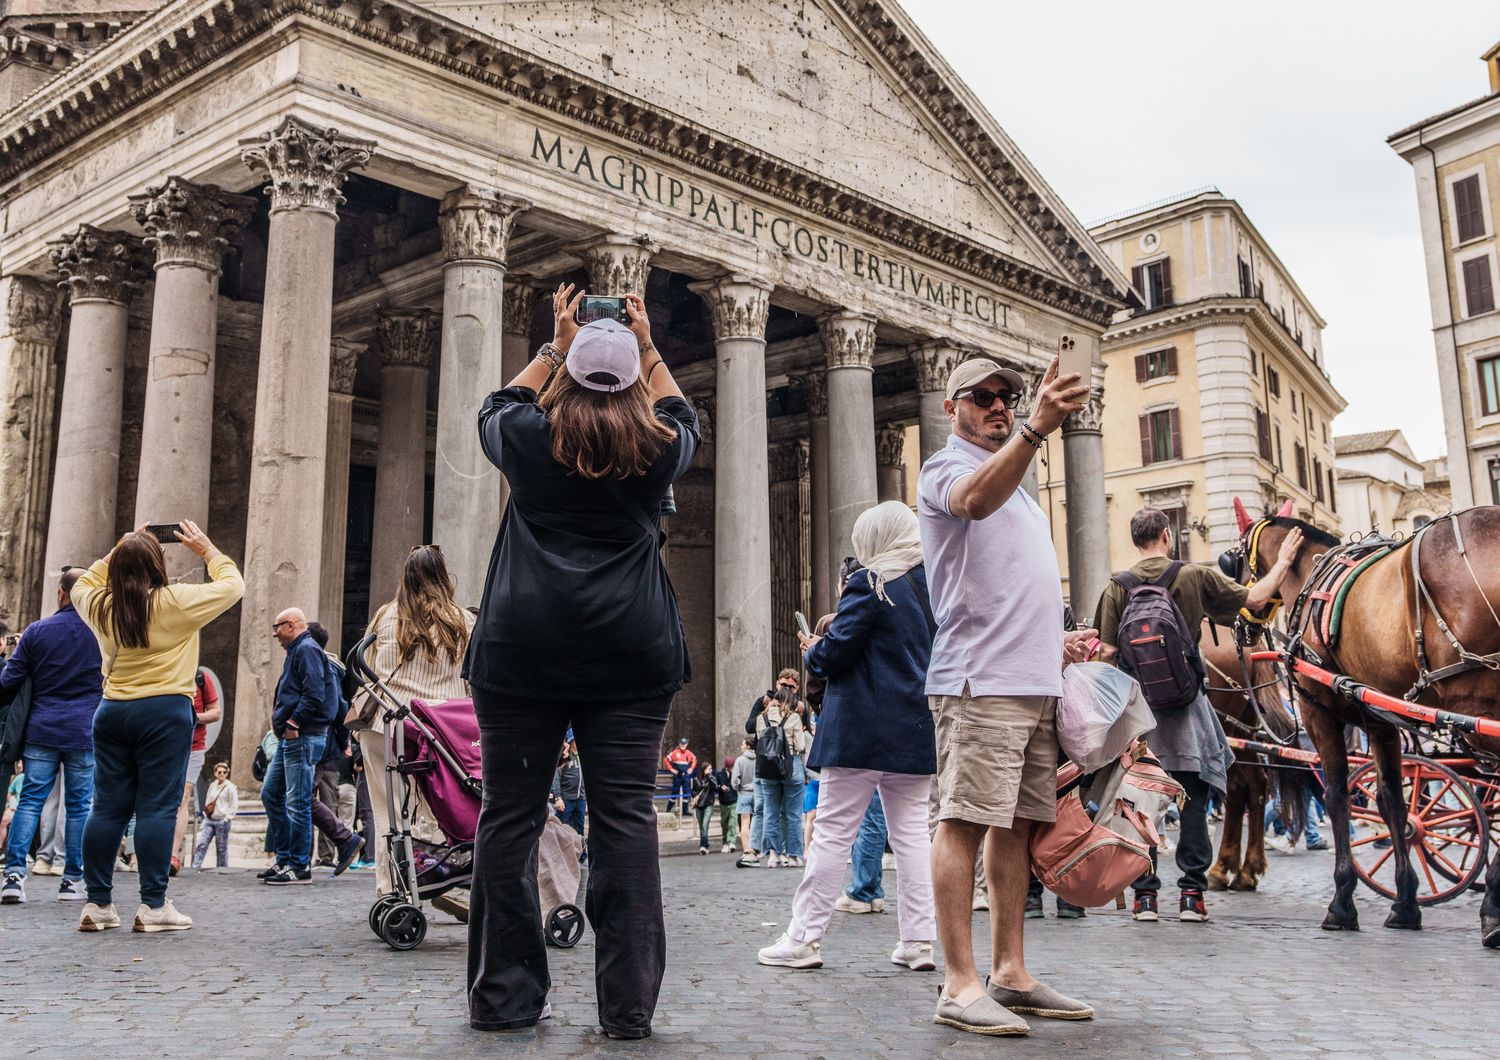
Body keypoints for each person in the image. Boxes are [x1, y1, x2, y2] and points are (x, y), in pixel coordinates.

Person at [465, 284, 697, 1039]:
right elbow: (682, 411)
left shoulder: (528, 442)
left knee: (510, 817)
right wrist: (648, 346)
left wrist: (555, 344)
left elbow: (498, 403)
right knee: (625, 820)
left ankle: (505, 997)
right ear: (633, 378)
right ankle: (627, 1008)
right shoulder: (658, 448)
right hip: (631, 652)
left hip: (522, 647)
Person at [917, 356, 1098, 1035]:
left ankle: (1010, 971)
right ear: (951, 406)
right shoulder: (945, 470)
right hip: (979, 680)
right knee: (962, 820)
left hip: (1031, 681)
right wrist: (1036, 427)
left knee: (1017, 828)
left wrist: (1057, 643)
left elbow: (1006, 581)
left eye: (1010, 397)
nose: (1000, 406)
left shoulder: (1019, 483)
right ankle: (958, 983)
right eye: (984, 397)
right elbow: (972, 503)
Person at [1093, 507, 1302, 924]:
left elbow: (1106, 654)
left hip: (1141, 716)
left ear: (1137, 540)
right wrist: (1281, 563)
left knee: (1141, 805)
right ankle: (1192, 896)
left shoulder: (1117, 587)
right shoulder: (1193, 576)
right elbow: (1257, 598)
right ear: (1167, 536)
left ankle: (1145, 899)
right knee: (1193, 798)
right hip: (1187, 710)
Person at [757, 501, 938, 973]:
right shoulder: (932, 584)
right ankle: (920, 941)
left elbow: (834, 656)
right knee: (913, 837)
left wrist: (816, 649)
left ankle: (803, 939)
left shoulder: (870, 581)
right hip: (916, 725)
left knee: (833, 834)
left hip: (861, 726)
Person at [71, 520, 244, 932]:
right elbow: (233, 584)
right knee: (157, 807)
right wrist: (206, 549)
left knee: (107, 807)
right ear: (156, 566)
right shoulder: (174, 601)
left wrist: (123, 547)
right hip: (164, 711)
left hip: (112, 710)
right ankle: (153, 905)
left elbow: (85, 580)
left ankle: (96, 904)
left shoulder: (97, 603)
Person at [358, 545, 476, 917]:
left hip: (386, 725)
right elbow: (473, 679)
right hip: (440, 730)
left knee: (388, 811)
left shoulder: (384, 617)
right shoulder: (462, 620)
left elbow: (369, 671)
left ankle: (390, 887)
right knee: (440, 809)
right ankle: (439, 874)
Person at [0, 567, 101, 905]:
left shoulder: (38, 631)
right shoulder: (102, 634)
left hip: (42, 729)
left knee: (30, 801)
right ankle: (72, 880)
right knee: (78, 806)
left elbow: (9, 680)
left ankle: (13, 877)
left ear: (61, 593)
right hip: (84, 731)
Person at [258, 608, 339, 886]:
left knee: (298, 802)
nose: (274, 633)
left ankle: (299, 865)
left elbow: (314, 693)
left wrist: (293, 722)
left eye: (277, 627)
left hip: (301, 736)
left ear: (290, 625)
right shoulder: (298, 650)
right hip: (290, 737)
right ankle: (284, 858)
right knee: (271, 793)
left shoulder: (306, 649)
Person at [305, 621, 364, 874]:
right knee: (299, 799)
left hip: (315, 743)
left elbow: (333, 708)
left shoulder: (320, 665)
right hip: (326, 747)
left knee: (300, 800)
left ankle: (302, 857)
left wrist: (292, 720)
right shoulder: (329, 668)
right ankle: (313, 853)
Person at [168, 666, 221, 877]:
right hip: (164, 746)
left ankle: (172, 855)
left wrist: (192, 718)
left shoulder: (200, 677)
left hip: (194, 747)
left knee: (183, 796)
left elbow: (216, 712)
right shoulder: (165, 670)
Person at [752, 687, 807, 868]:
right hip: (791, 767)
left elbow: (761, 741)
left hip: (768, 768)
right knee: (793, 814)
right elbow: (800, 746)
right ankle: (793, 855)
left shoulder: (762, 718)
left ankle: (773, 855)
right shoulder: (793, 718)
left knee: (770, 812)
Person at [191, 762, 237, 869]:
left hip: (222, 820)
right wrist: (205, 815)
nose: (222, 774)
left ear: (227, 773)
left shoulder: (230, 787)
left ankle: (221, 868)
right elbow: (208, 801)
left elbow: (233, 805)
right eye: (219, 772)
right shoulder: (212, 785)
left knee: (221, 848)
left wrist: (227, 818)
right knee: (202, 843)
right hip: (210, 819)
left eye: (224, 772)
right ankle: (195, 866)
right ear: (215, 773)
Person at [731, 740, 760, 864]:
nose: (741, 746)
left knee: (744, 823)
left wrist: (738, 788)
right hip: (757, 793)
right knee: (756, 822)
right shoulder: (759, 759)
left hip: (744, 793)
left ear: (748, 746)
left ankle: (746, 850)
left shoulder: (740, 760)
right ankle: (754, 848)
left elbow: (735, 780)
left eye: (742, 744)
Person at [551, 739, 586, 835]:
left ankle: (580, 850)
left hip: (581, 799)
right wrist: (557, 797)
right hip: (566, 799)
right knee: (564, 829)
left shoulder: (583, 755)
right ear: (571, 741)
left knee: (580, 829)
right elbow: (556, 777)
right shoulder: (565, 756)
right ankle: (564, 850)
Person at [690, 760, 718, 853]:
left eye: (711, 769)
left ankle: (703, 846)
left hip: (708, 804)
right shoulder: (696, 779)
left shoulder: (712, 779)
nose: (710, 771)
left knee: (705, 824)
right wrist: (695, 796)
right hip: (699, 805)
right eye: (709, 769)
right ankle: (705, 843)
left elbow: (715, 788)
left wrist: (709, 778)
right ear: (704, 769)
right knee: (701, 826)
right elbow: (693, 791)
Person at [664, 737, 696, 815]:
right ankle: (668, 810)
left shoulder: (689, 753)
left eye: (684, 744)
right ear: (679, 744)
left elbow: (694, 760)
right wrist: (671, 769)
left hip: (686, 776)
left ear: (687, 744)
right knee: (674, 792)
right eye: (682, 744)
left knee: (686, 792)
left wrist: (691, 769)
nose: (683, 745)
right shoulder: (675, 752)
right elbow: (665, 760)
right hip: (677, 776)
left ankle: (685, 810)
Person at [715, 756, 739, 853]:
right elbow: (715, 786)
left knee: (732, 822)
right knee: (724, 823)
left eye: (732, 767)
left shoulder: (736, 772)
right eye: (729, 768)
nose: (731, 769)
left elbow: (739, 784)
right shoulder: (720, 774)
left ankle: (731, 841)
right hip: (724, 801)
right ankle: (725, 842)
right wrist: (721, 787)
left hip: (734, 800)